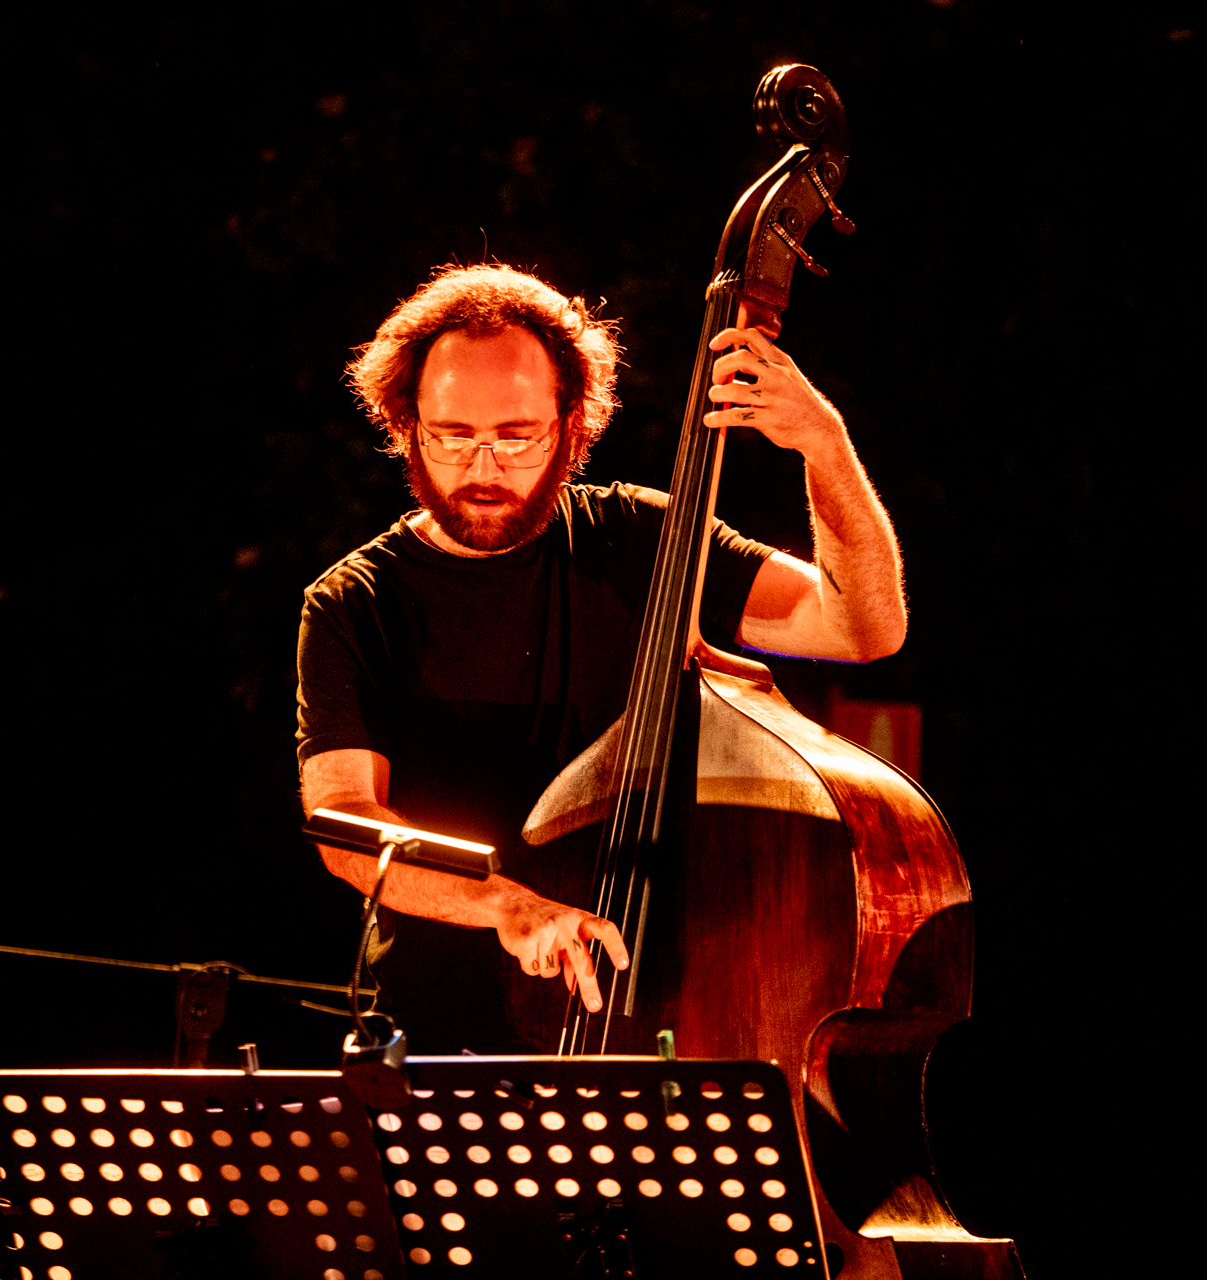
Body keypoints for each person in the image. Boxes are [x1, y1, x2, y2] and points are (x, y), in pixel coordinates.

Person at [296, 264, 905, 1052]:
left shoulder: (641, 540)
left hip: (670, 1017)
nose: (484, 469)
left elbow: (861, 628)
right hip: (438, 1044)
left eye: (518, 437)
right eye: (452, 436)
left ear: (572, 422)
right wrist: (511, 906)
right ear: (404, 422)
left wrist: (823, 447)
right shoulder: (354, 602)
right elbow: (346, 824)